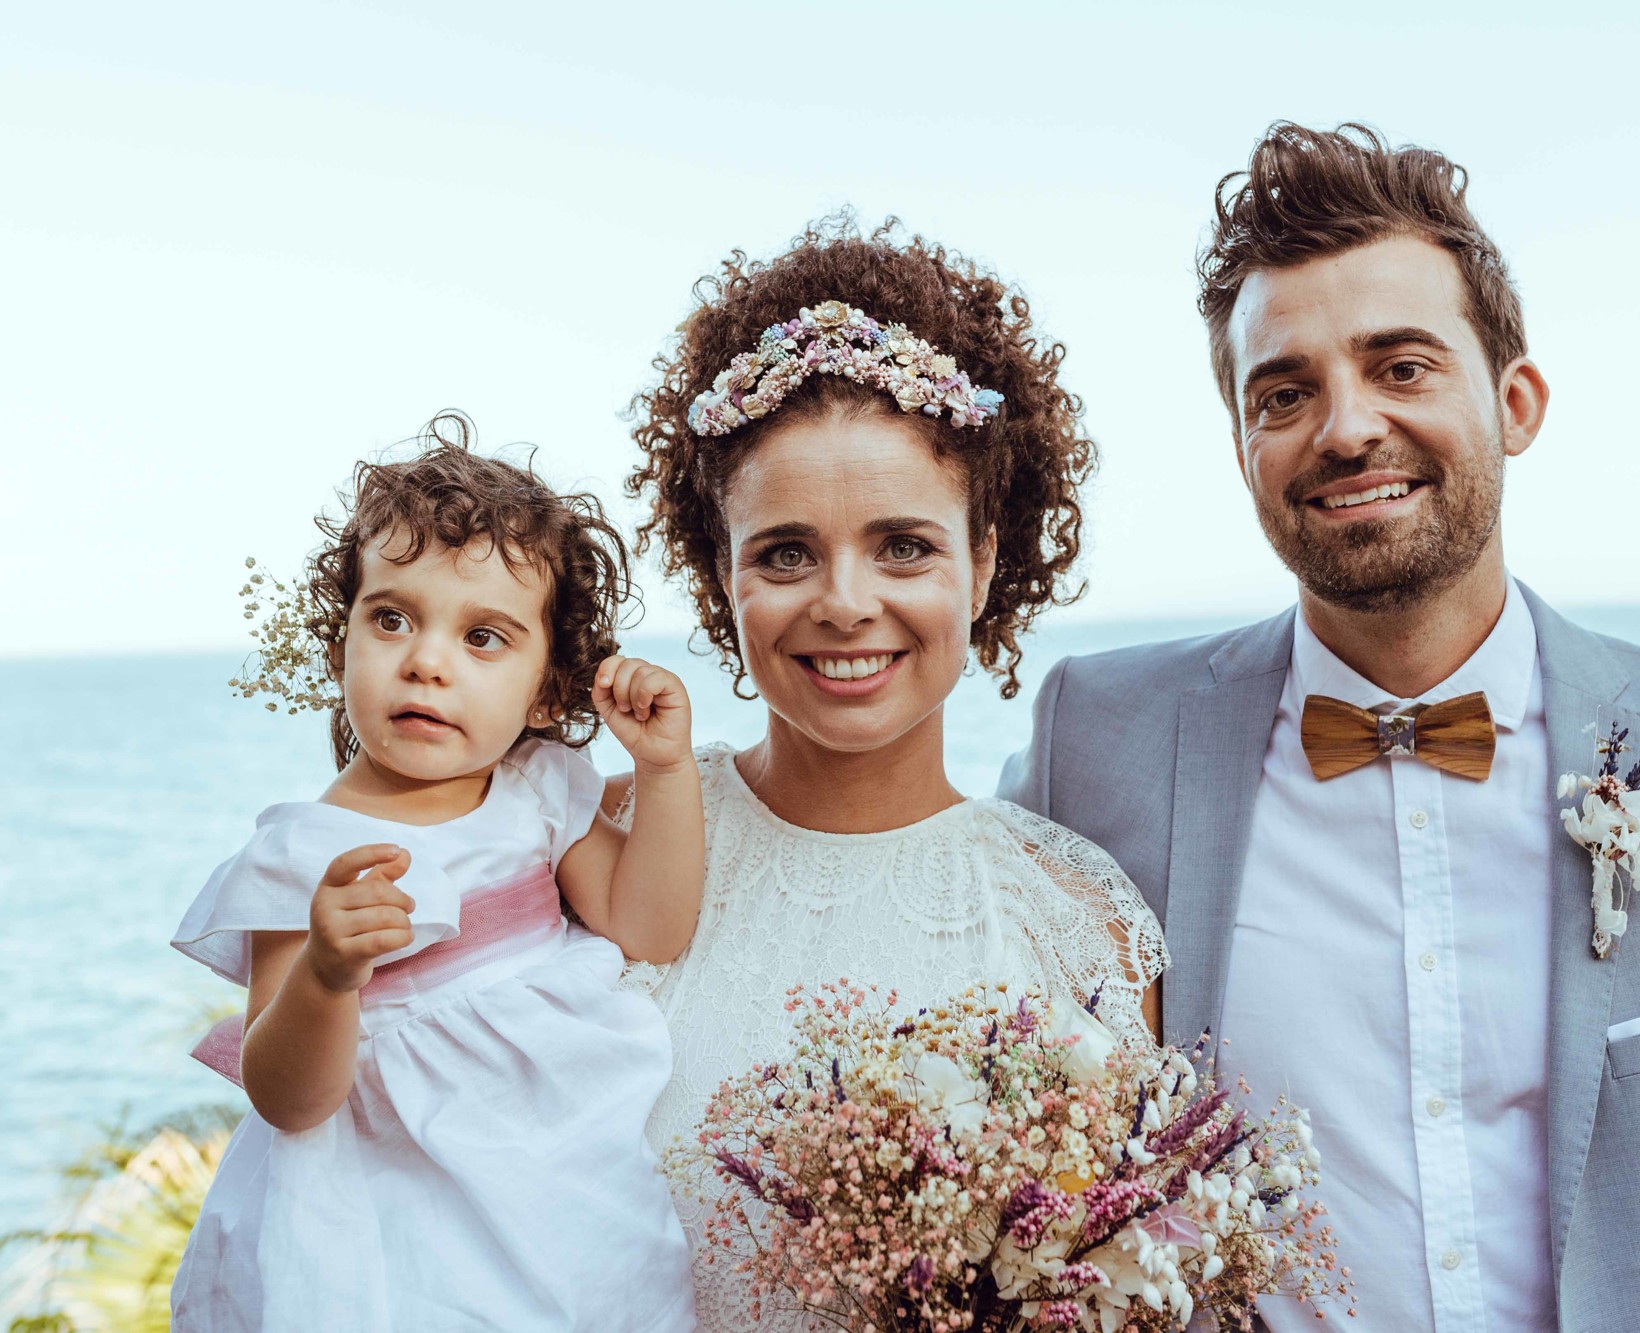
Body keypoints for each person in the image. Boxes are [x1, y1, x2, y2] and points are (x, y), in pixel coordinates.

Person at [999, 123, 1640, 1331]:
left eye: (1400, 366)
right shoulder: (1095, 743)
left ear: (1514, 402)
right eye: (1283, 392)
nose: (1344, 428)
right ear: (1241, 447)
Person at [614, 218, 1167, 1331]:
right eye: (784, 552)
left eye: (903, 545)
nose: (844, 602)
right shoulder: (610, 854)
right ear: (720, 580)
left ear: (983, 562)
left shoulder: (1077, 923)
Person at [169, 421, 702, 1332]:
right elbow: (288, 1096)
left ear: (546, 690)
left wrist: (664, 771)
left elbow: (647, 926)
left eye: (484, 637)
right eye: (390, 617)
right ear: (341, 643)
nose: (425, 658)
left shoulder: (536, 787)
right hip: (382, 1202)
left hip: (555, 1168)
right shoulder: (302, 852)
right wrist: (328, 975)